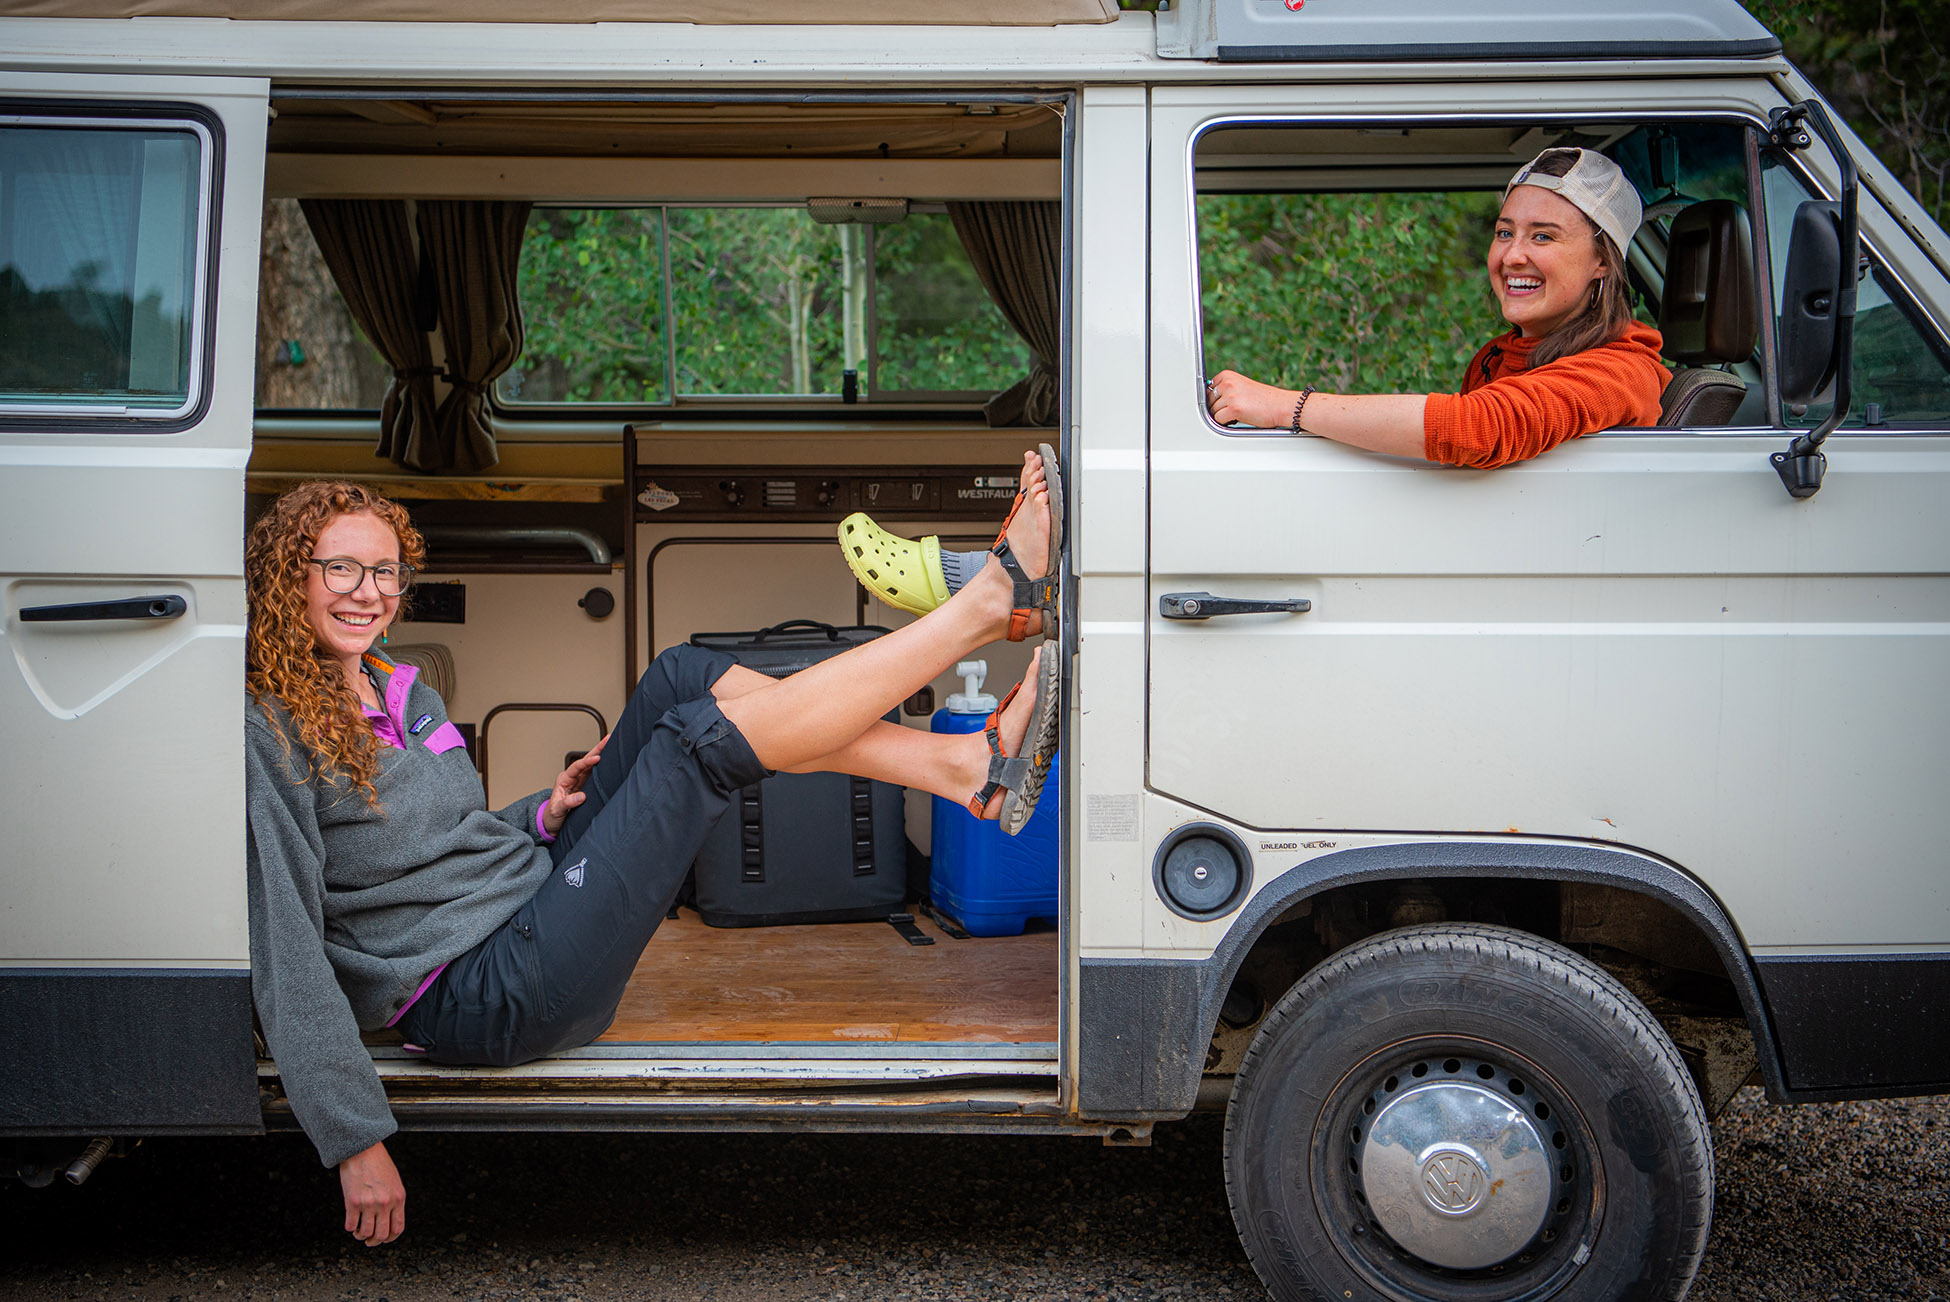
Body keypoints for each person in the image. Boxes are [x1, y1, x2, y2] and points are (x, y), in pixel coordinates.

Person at [243, 453, 1060, 1247]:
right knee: (694, 745)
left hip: (518, 904)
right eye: (341, 569)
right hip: (479, 992)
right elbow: (286, 945)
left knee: (682, 675)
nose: (369, 593)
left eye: (386, 572)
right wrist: (354, 1140)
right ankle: (980, 615)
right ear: (290, 575)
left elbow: (428, 845)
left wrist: (536, 816)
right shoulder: (266, 729)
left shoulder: (396, 683)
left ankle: (962, 766)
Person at [1204, 146, 1669, 469]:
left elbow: (1477, 429)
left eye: (1543, 236)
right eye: (1505, 232)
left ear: (1602, 262)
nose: (1511, 256)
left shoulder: (1620, 372)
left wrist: (1285, 406)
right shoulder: (1500, 355)